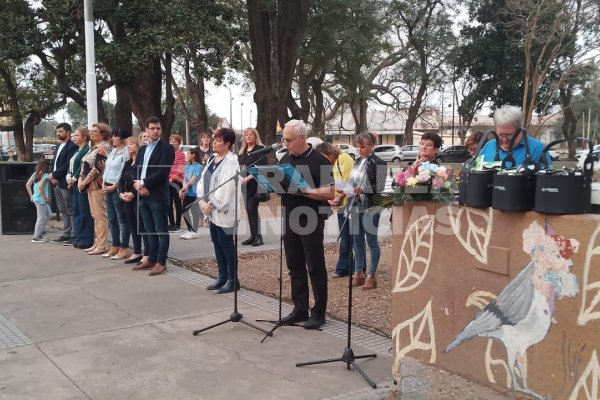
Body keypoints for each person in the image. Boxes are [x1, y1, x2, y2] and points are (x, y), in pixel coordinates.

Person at [278, 119, 335, 329]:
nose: (286, 144)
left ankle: (319, 312)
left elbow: (330, 191)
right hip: (290, 216)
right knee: (294, 265)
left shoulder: (320, 161)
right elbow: (280, 183)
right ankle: (299, 308)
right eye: (284, 139)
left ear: (302, 138)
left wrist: (305, 191)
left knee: (315, 266)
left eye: (289, 140)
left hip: (311, 218)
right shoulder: (285, 158)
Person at [197, 128, 241, 293]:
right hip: (210, 209)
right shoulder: (213, 158)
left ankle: (232, 278)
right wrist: (201, 200)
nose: (214, 142)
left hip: (223, 210)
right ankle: (221, 276)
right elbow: (202, 180)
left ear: (228, 144)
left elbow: (226, 187)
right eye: (214, 139)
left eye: (218, 140)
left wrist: (212, 204)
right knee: (216, 242)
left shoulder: (231, 161)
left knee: (227, 243)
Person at [132, 116, 175, 276]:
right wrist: (137, 184)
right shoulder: (143, 149)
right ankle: (151, 258)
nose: (155, 131)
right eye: (152, 128)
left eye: (158, 128)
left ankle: (161, 262)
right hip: (142, 194)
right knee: (148, 230)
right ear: (146, 130)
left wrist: (144, 183)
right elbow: (134, 168)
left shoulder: (166, 148)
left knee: (160, 230)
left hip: (157, 195)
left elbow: (163, 172)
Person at [348, 132, 387, 290]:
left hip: (371, 205)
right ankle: (358, 272)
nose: (359, 149)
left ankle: (372, 275)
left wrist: (364, 189)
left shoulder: (379, 163)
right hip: (356, 205)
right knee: (357, 241)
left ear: (371, 146)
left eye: (363, 146)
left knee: (371, 241)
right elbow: (352, 181)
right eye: (357, 146)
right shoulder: (357, 161)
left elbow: (381, 186)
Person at [315, 142, 355, 278]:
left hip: (349, 203)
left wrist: (340, 196)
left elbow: (351, 181)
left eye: (324, 158)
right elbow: (326, 185)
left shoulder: (344, 159)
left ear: (329, 153)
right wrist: (329, 198)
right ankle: (345, 267)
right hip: (339, 203)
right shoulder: (327, 165)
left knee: (349, 237)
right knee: (345, 236)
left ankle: (348, 267)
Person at [79, 122, 112, 255]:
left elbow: (98, 168)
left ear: (102, 134)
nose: (91, 133)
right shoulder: (93, 148)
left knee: (100, 215)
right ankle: (97, 243)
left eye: (95, 131)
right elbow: (84, 166)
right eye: (91, 131)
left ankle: (102, 245)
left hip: (97, 185)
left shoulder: (104, 148)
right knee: (95, 215)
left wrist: (84, 181)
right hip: (90, 186)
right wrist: (81, 180)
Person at [480, 105, 551, 166]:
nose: (504, 140)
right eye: (500, 135)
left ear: (520, 131)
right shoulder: (488, 147)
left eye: (509, 135)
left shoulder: (537, 149)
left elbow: (546, 180)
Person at [118, 136, 149, 264]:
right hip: (126, 199)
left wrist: (133, 194)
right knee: (132, 226)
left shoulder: (141, 163)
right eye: (127, 144)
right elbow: (120, 180)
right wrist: (120, 193)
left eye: (131, 144)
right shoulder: (127, 163)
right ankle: (137, 251)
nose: (128, 146)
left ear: (138, 145)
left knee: (142, 226)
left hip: (137, 198)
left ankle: (147, 253)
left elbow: (142, 180)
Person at [102, 129, 131, 259]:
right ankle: (115, 245)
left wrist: (115, 186)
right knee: (112, 218)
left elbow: (122, 171)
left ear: (122, 138)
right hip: (107, 186)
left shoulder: (126, 153)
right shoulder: (113, 151)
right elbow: (107, 168)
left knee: (121, 219)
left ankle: (124, 247)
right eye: (112, 137)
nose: (113, 139)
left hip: (116, 188)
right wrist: (103, 182)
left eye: (115, 137)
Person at [49, 123, 78, 243]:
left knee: (70, 209)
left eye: (61, 131)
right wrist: (51, 176)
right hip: (55, 182)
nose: (58, 134)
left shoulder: (72, 146)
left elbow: (67, 165)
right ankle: (66, 233)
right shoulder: (58, 146)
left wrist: (55, 175)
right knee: (62, 210)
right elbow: (53, 163)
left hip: (65, 182)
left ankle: (74, 234)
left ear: (68, 132)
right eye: (57, 132)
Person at [238, 128, 267, 246]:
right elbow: (239, 167)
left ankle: (258, 237)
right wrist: (240, 178)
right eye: (246, 135)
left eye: (251, 135)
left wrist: (248, 178)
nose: (248, 136)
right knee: (248, 210)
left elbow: (261, 166)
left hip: (255, 183)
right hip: (244, 185)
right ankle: (252, 235)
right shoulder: (242, 151)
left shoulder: (260, 149)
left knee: (252, 209)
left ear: (256, 137)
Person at [67, 127, 94, 249]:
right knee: (77, 211)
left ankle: (85, 239)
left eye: (77, 135)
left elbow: (83, 167)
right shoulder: (76, 151)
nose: (74, 137)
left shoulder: (86, 150)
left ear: (84, 137)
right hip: (74, 184)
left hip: (81, 184)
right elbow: (71, 166)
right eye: (74, 135)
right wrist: (68, 176)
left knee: (84, 212)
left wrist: (74, 179)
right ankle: (78, 236)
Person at [26, 159, 52, 243]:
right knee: (41, 218)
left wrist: (31, 196)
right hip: (41, 200)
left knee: (48, 215)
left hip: (36, 198)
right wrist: (45, 198)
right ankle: (36, 236)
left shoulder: (35, 174)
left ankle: (39, 233)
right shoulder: (45, 176)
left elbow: (28, 185)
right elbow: (41, 186)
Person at [179, 147, 203, 240]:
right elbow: (185, 179)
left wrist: (182, 190)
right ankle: (190, 230)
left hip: (195, 193)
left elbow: (193, 181)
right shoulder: (187, 166)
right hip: (188, 193)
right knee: (184, 211)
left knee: (194, 212)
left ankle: (195, 231)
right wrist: (184, 190)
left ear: (193, 155)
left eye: (188, 154)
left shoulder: (198, 166)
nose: (186, 155)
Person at [167, 134, 185, 233]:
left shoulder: (181, 154)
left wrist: (172, 178)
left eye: (175, 141)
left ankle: (178, 224)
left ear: (179, 143)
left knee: (177, 203)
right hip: (168, 181)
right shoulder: (168, 153)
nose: (173, 143)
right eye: (171, 141)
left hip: (177, 181)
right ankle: (171, 223)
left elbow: (180, 169)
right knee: (168, 203)